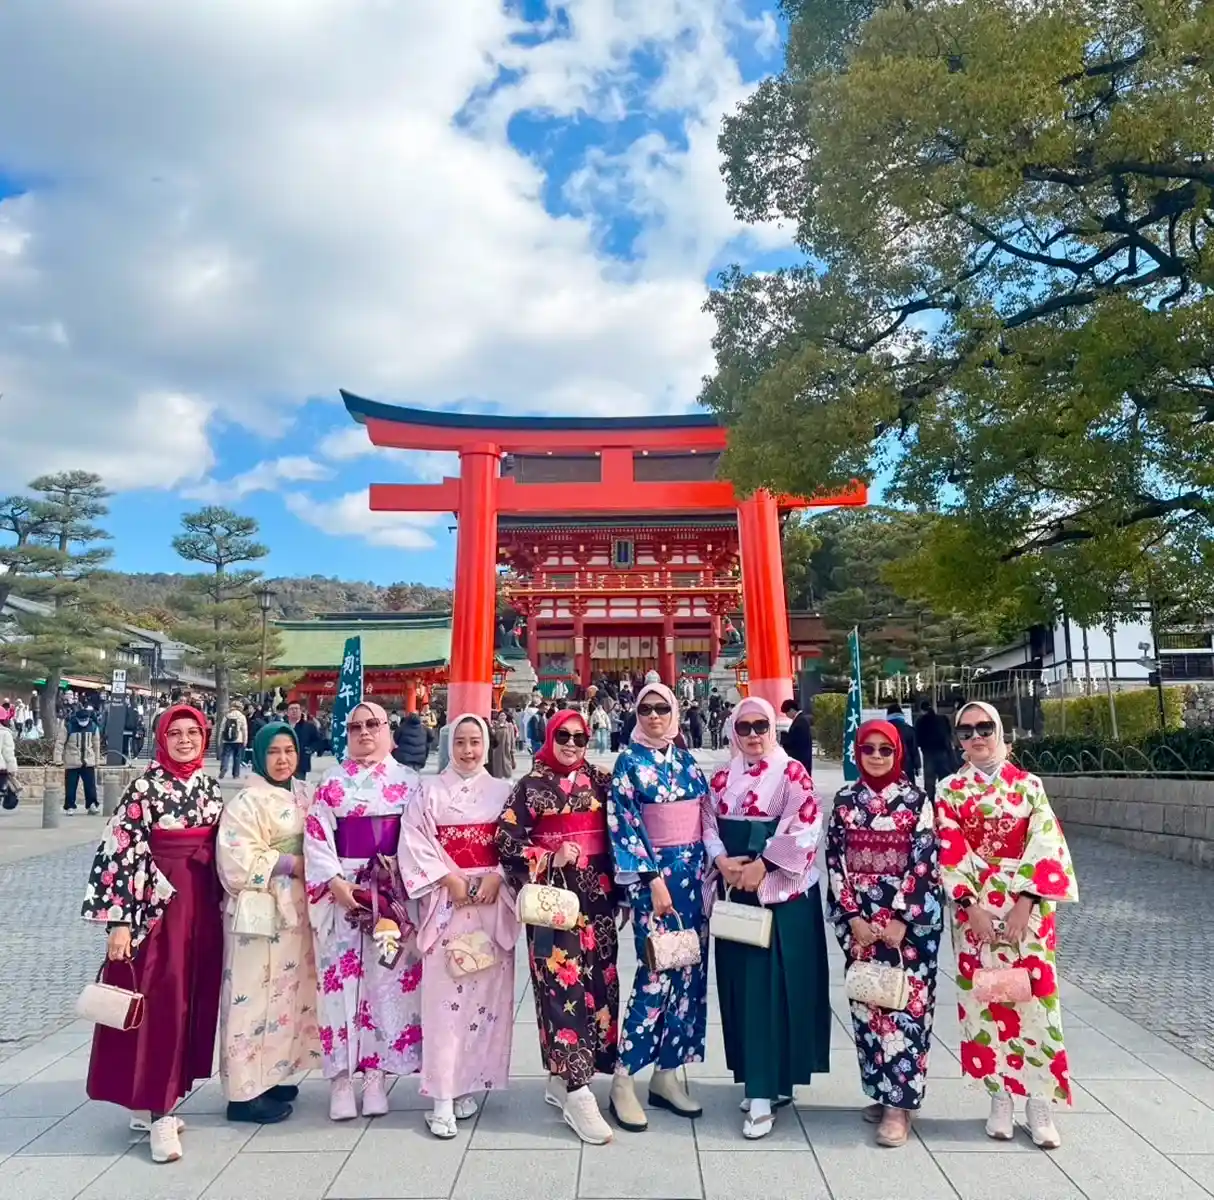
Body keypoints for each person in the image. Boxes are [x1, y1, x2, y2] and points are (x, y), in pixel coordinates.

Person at [80, 705, 225, 1164]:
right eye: (176, 733)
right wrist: (120, 921)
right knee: (160, 1001)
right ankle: (158, 1111)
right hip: (158, 908)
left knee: (188, 999)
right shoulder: (145, 786)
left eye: (193, 732)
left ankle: (160, 1099)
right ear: (162, 738)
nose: (185, 740)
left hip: (201, 903)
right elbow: (119, 853)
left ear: (205, 737)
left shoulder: (206, 783)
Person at [935, 702, 1078, 1149]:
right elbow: (949, 848)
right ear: (958, 739)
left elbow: (1046, 841)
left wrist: (1026, 901)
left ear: (1001, 731)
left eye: (985, 727)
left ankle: (1039, 1102)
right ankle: (999, 1097)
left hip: (1027, 910)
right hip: (974, 909)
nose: (976, 737)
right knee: (986, 1000)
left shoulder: (1028, 786)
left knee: (1035, 1001)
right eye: (966, 730)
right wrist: (969, 904)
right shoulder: (949, 790)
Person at [702, 697, 831, 1140]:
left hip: (780, 891)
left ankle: (766, 1089)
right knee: (743, 987)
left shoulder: (792, 772)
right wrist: (721, 860)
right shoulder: (721, 777)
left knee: (772, 988)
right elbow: (708, 825)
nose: (754, 735)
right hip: (736, 887)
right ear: (733, 732)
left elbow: (804, 825)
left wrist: (764, 864)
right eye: (745, 727)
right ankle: (760, 1078)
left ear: (773, 729)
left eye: (761, 726)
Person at [495, 710, 620, 1146]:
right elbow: (507, 841)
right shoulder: (530, 787)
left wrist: (624, 893)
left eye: (579, 736)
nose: (571, 743)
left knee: (600, 985)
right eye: (562, 736)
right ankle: (577, 1089)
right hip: (553, 903)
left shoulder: (601, 782)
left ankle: (562, 1077)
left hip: (599, 901)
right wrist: (548, 857)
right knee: (560, 987)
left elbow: (621, 835)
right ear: (549, 737)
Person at [398, 715, 519, 1138]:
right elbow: (413, 841)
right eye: (461, 742)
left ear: (487, 745)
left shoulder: (504, 791)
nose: (469, 751)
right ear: (448, 745)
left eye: (476, 742)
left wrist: (498, 876)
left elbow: (515, 844)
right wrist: (449, 879)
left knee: (483, 1003)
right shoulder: (428, 791)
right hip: (446, 902)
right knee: (443, 1003)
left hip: (489, 902)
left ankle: (467, 1083)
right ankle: (442, 1098)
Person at [304, 702, 425, 1121]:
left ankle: (375, 1074)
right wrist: (335, 883)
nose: (365, 733)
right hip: (343, 887)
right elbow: (317, 837)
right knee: (339, 985)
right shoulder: (331, 783)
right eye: (355, 726)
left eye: (373, 724)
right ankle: (340, 1078)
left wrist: (400, 871)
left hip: (390, 889)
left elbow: (419, 836)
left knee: (385, 982)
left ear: (388, 729)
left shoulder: (408, 782)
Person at [825, 719, 942, 1147]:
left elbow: (924, 861)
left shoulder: (916, 801)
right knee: (869, 1005)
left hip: (904, 924)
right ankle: (880, 1089)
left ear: (899, 754)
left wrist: (901, 918)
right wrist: (853, 916)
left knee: (905, 1012)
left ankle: (900, 1105)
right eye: (868, 749)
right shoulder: (845, 801)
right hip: (861, 922)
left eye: (885, 750)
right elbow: (835, 861)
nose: (876, 757)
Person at [606, 683, 710, 1132]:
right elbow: (624, 824)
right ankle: (624, 1079)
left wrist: (714, 866)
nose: (653, 717)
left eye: (661, 709)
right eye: (645, 709)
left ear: (675, 712)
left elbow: (705, 815)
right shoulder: (629, 763)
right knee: (654, 974)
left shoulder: (687, 761)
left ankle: (666, 1075)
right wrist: (650, 879)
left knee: (689, 976)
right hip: (657, 883)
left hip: (693, 879)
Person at [216, 722, 322, 1124]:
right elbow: (236, 858)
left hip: (296, 911)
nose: (282, 760)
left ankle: (274, 1072)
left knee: (288, 995)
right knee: (252, 999)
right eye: (274, 752)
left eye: (289, 751)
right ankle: (244, 1093)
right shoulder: (246, 802)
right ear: (259, 755)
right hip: (261, 913)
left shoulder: (304, 794)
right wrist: (292, 862)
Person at [55, 705, 103, 815]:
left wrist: (97, 760)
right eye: (82, 720)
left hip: (88, 761)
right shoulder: (68, 727)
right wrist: (58, 759)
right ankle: (69, 806)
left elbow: (96, 745)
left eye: (85, 719)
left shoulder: (93, 727)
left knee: (90, 785)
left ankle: (92, 805)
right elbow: (59, 744)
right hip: (72, 761)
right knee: (71, 786)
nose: (84, 722)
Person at [914, 699, 957, 798]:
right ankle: (947, 800)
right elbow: (949, 734)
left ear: (922, 710)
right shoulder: (943, 719)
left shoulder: (920, 721)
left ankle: (931, 803)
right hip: (943, 753)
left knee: (930, 781)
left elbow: (918, 739)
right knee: (945, 779)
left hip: (928, 754)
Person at [884, 702, 920, 786]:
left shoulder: (884, 730)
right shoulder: (909, 729)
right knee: (909, 792)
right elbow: (914, 750)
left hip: (889, 766)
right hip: (908, 766)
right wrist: (917, 766)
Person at [287, 702, 323, 779]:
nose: (294, 711)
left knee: (298, 787)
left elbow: (318, 741)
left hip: (301, 763)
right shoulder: (282, 726)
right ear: (287, 712)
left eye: (296, 709)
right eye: (292, 709)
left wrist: (311, 749)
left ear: (301, 711)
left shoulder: (309, 726)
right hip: (285, 762)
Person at [779, 698, 813, 775]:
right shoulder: (800, 720)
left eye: (786, 713)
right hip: (802, 758)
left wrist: (785, 738)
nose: (787, 715)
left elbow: (796, 740)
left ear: (791, 710)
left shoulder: (800, 721)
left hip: (801, 759)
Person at [218, 702, 249, 780]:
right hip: (238, 739)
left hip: (227, 739)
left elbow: (222, 728)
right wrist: (245, 740)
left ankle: (224, 768)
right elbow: (244, 730)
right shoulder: (242, 716)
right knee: (237, 757)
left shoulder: (227, 716)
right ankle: (236, 774)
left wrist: (220, 739)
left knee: (225, 755)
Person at [488, 711, 516, 779]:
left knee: (507, 767)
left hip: (506, 750)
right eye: (501, 715)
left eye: (504, 715)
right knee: (497, 769)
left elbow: (512, 738)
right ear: (498, 717)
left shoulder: (509, 726)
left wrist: (512, 750)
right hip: (497, 750)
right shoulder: (495, 726)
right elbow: (492, 737)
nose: (503, 717)